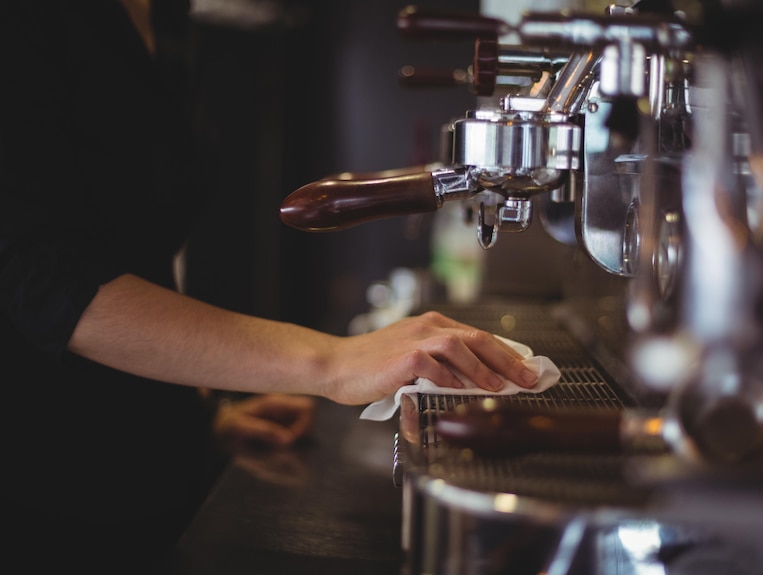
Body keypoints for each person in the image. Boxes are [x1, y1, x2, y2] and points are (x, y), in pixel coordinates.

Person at [0, 1, 539, 573]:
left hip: (153, 459)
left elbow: (127, 246)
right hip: (44, 490)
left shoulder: (167, 13)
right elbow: (49, 287)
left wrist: (198, 414)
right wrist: (332, 361)